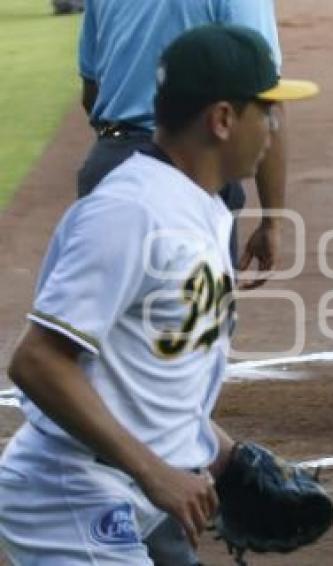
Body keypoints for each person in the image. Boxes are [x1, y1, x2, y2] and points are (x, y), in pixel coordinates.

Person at [0, 24, 316, 564]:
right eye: (265, 110)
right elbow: (36, 362)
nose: (273, 126)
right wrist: (155, 471)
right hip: (72, 496)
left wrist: (223, 454)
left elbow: (148, 370)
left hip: (132, 486)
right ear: (222, 119)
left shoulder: (206, 208)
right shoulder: (131, 212)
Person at [77, 0, 295, 289]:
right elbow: (263, 94)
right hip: (192, 170)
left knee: (103, 316)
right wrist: (272, 221)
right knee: (196, 325)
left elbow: (90, 92)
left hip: (109, 162)